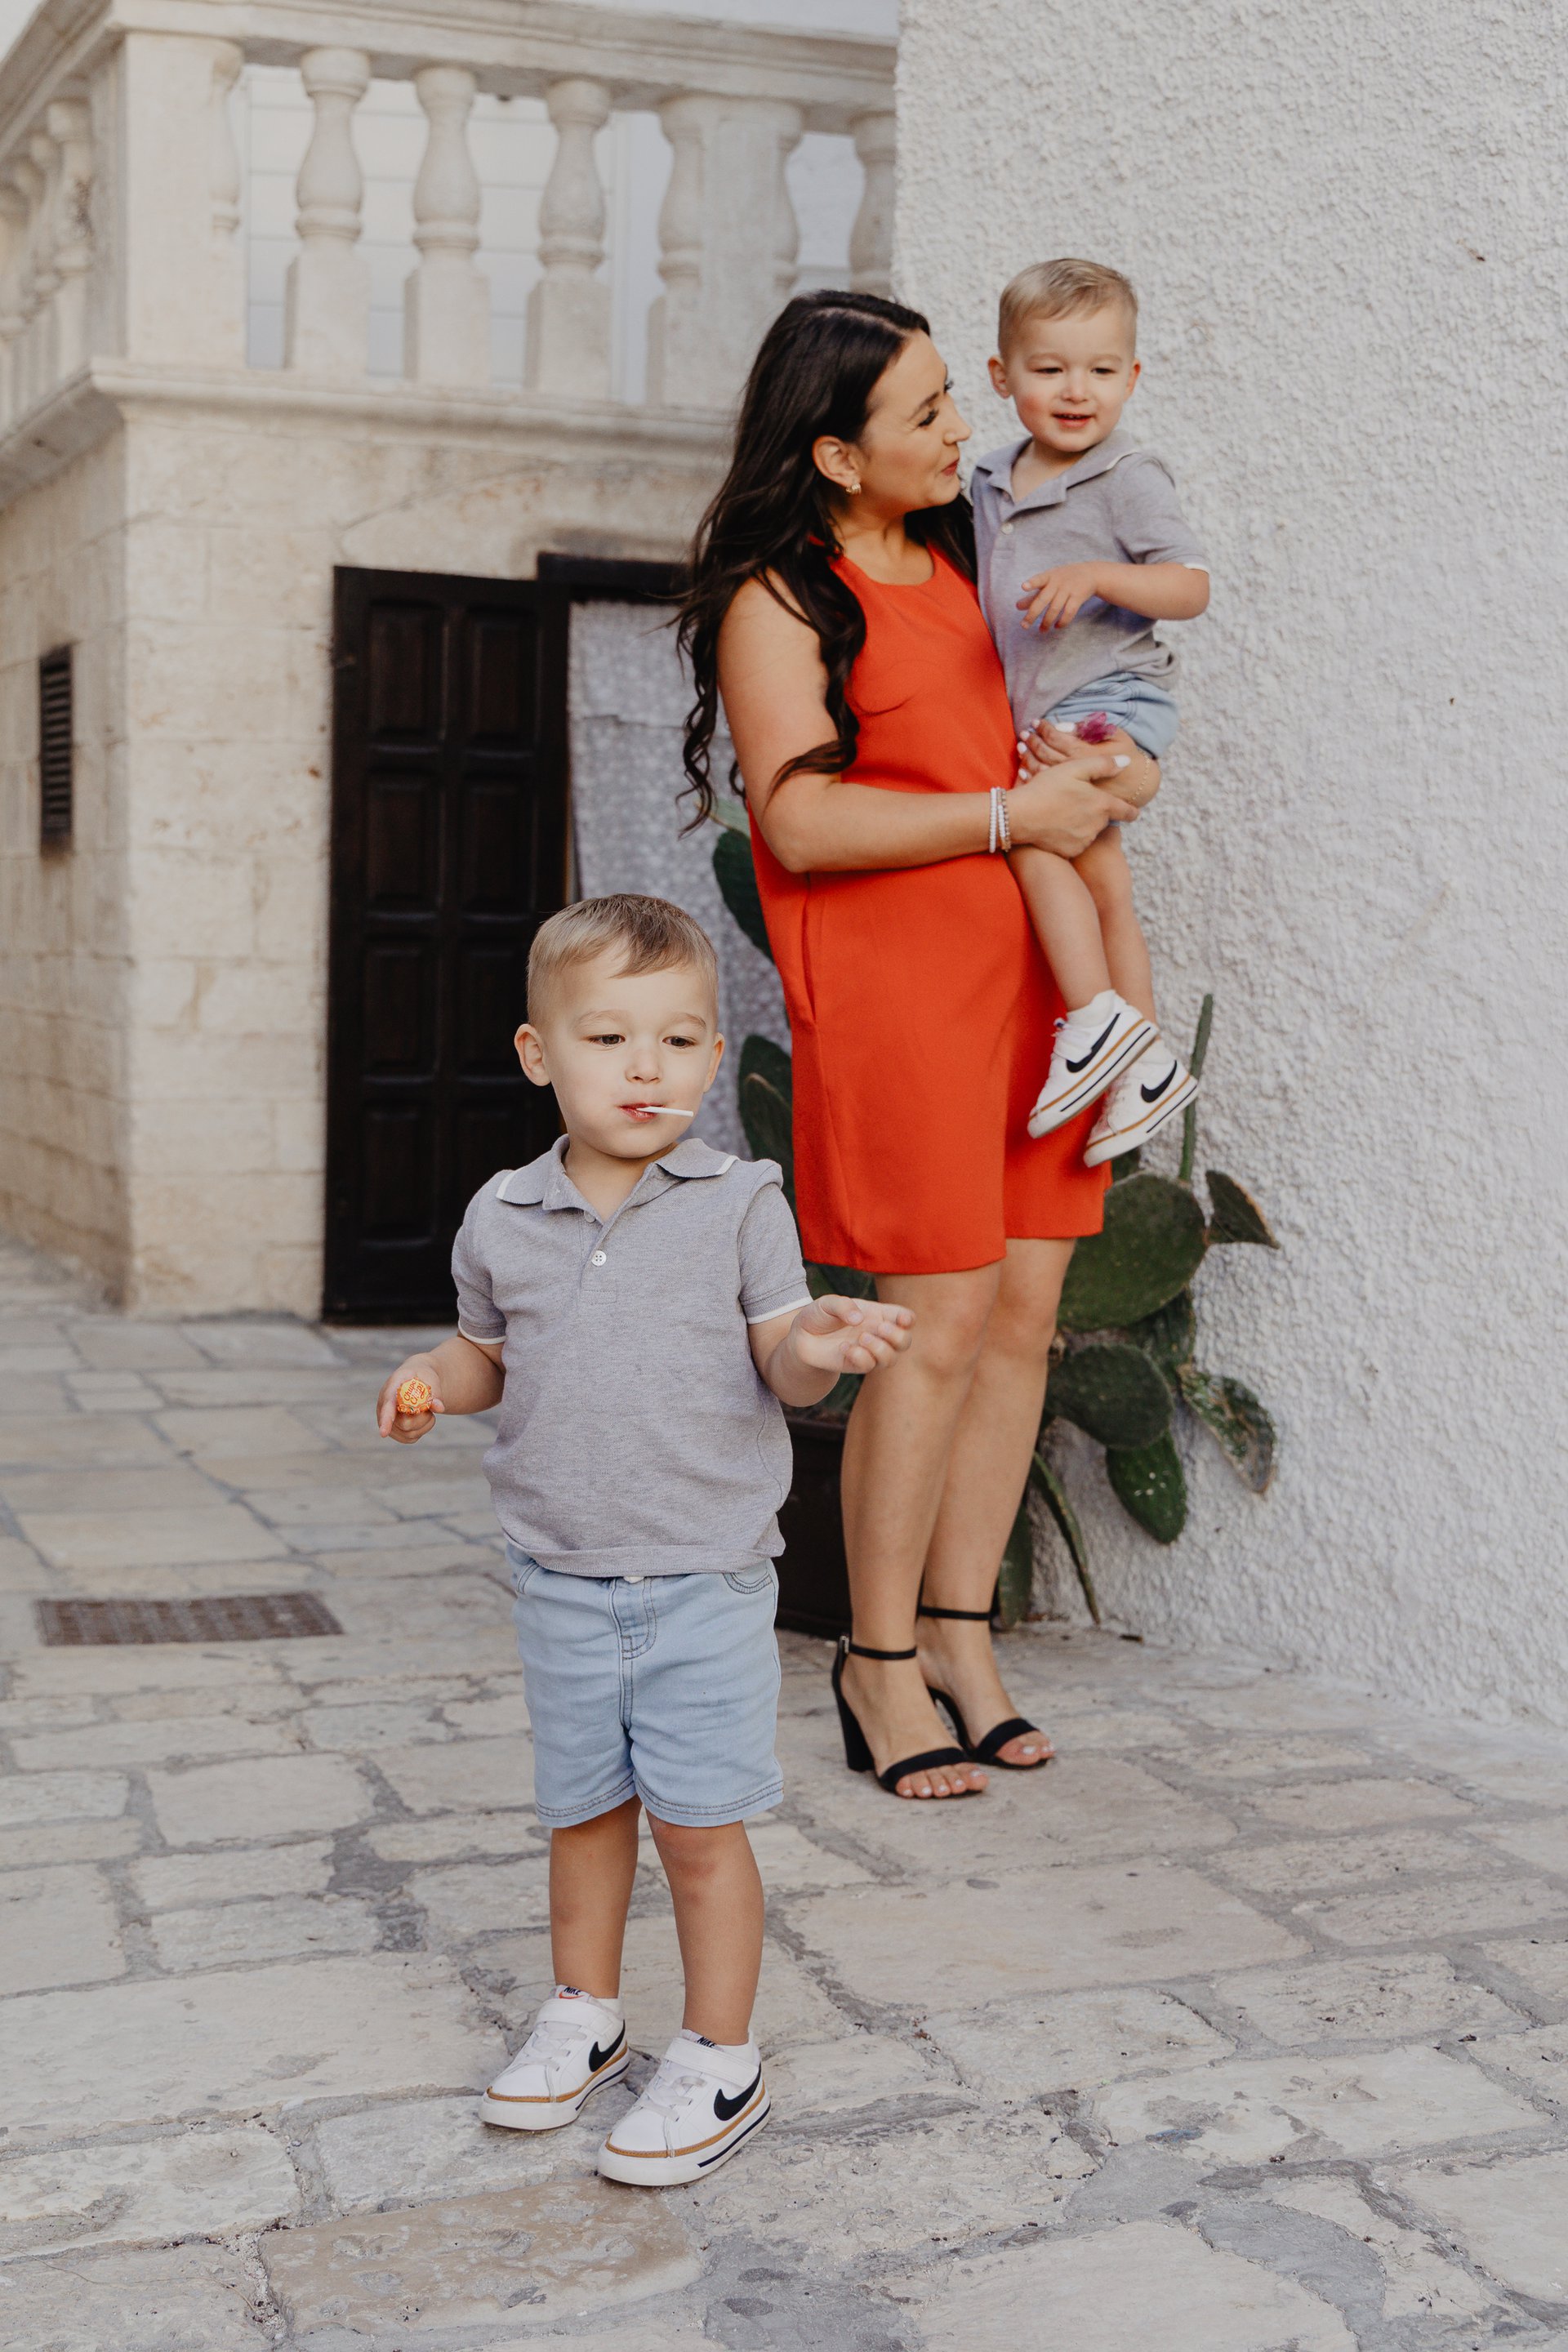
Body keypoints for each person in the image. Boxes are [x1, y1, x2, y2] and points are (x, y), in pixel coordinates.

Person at [678, 290, 1156, 1802]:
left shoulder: (971, 551)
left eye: (955, 398)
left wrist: (1108, 766)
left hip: (1033, 988)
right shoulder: (779, 597)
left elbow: (1074, 697)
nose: (965, 429)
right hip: (900, 995)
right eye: (932, 411)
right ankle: (873, 1658)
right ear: (835, 453)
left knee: (1022, 1318)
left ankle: (958, 1635)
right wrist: (1011, 815)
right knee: (933, 1325)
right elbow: (799, 822)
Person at [377, 894, 910, 2186]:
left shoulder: (741, 1202)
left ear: (714, 1058)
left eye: (677, 1041)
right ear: (538, 1053)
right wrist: (434, 1379)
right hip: (559, 1573)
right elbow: (491, 1356)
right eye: (609, 1038)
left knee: (698, 1824)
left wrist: (820, 1349)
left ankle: (721, 2053)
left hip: (703, 1575)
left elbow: (780, 1360)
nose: (645, 1068)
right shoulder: (503, 1214)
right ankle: (585, 2010)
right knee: (584, 1811)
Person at [973, 256, 1211, 1166]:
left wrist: (1100, 575)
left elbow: (1189, 586)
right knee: (1102, 875)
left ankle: (1095, 1018)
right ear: (1003, 376)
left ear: (1132, 376)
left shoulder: (1126, 475)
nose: (1078, 391)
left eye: (1102, 370)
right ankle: (1145, 1065)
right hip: (1048, 709)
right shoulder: (987, 479)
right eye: (1051, 369)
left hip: (1110, 703)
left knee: (1033, 836)